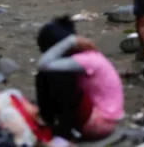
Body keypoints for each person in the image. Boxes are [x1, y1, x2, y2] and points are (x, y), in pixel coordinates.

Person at [36, 16, 124, 146]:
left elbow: (43, 64)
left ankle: (63, 134)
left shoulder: (84, 60)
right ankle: (54, 126)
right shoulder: (84, 57)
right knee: (50, 76)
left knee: (51, 76)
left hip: (101, 122)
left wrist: (70, 41)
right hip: (104, 119)